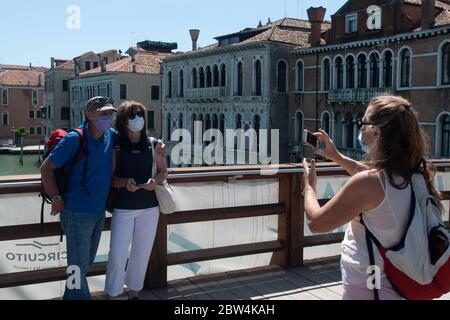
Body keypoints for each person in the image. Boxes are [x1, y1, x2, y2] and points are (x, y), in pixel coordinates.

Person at [302, 96, 441, 300]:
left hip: (371, 290)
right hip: (401, 285)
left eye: (363, 122)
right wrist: (337, 156)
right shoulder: (415, 175)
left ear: (377, 131)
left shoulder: (370, 183)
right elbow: (374, 178)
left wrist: (309, 187)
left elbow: (316, 222)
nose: (360, 128)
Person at [40, 96, 117, 300]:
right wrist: (56, 197)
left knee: (83, 264)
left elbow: (132, 138)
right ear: (89, 115)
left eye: (110, 113)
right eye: (103, 113)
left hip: (98, 211)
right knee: (77, 267)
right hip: (76, 213)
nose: (108, 117)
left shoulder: (110, 135)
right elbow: (46, 167)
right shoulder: (75, 139)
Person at [105, 101, 167, 300]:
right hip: (123, 208)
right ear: (123, 120)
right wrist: (124, 183)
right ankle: (113, 292)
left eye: (140, 114)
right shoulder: (116, 146)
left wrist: (154, 181)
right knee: (117, 254)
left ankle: (134, 290)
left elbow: (163, 171)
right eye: (132, 115)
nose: (137, 119)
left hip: (150, 208)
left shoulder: (154, 144)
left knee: (142, 253)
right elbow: (111, 179)